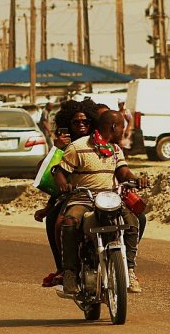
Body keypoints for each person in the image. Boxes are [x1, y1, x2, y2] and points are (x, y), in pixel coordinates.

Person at [54, 109, 145, 295]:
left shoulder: (115, 149)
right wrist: (64, 185)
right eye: (122, 127)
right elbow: (59, 172)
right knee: (69, 222)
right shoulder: (77, 147)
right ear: (113, 127)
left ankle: (129, 269)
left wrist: (136, 179)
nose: (123, 132)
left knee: (132, 221)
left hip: (110, 199)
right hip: (83, 199)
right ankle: (69, 272)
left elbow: (123, 172)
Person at [33, 99, 97, 287]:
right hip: (74, 196)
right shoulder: (65, 146)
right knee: (54, 220)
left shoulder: (99, 143)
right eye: (76, 122)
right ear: (67, 124)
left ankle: (126, 267)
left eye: (85, 121)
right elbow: (47, 173)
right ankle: (63, 268)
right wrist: (56, 148)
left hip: (102, 194)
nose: (81, 125)